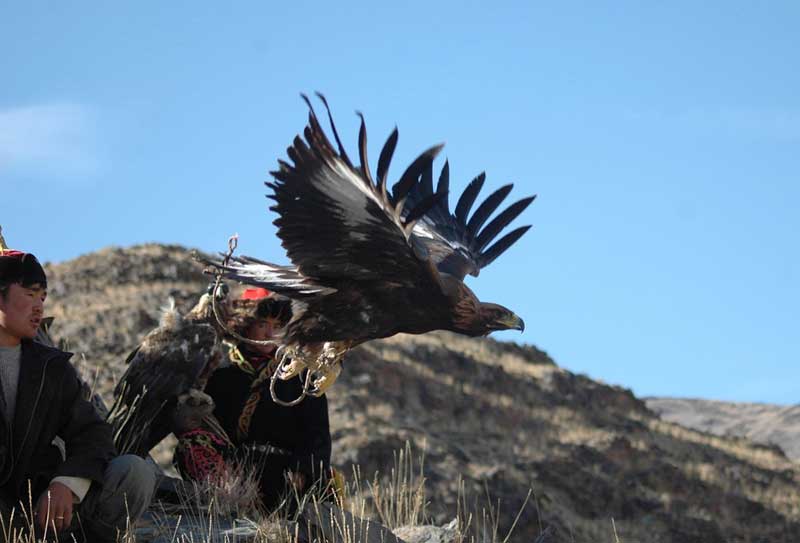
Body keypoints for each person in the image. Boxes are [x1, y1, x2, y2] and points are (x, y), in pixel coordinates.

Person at [0, 242, 156, 542]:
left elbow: (93, 433)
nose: (39, 307)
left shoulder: (52, 368)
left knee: (133, 472)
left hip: (45, 513)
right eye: (30, 294)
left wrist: (68, 484)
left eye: (43, 297)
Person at [175, 287, 332, 510]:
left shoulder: (299, 375)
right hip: (233, 471)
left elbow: (318, 434)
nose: (270, 334)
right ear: (244, 326)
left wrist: (304, 470)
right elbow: (207, 428)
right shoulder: (220, 374)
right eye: (262, 325)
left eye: (277, 327)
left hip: (285, 476)